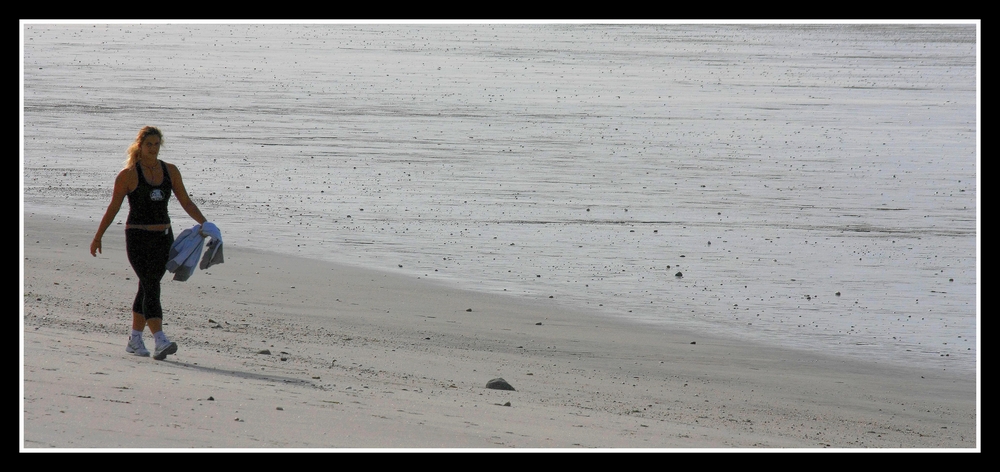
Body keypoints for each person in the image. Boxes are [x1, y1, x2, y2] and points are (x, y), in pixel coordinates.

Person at [91, 126, 208, 360]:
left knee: (147, 287)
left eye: (156, 144)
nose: (153, 149)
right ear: (140, 146)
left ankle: (135, 339)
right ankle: (160, 340)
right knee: (152, 285)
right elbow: (113, 208)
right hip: (138, 238)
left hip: (164, 238)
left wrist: (206, 224)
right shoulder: (128, 175)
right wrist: (98, 236)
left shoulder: (170, 171)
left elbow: (186, 202)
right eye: (148, 145)